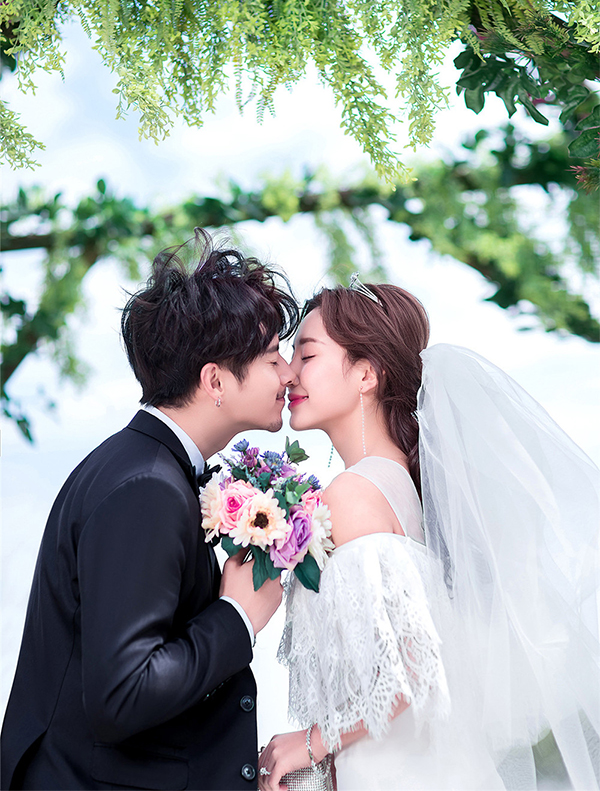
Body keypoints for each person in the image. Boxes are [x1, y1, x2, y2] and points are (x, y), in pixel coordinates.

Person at [258, 279, 600, 790]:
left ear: (366, 374)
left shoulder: (352, 495)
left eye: (306, 355)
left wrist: (309, 743)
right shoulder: (401, 488)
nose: (289, 373)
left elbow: (414, 664)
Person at [1, 229, 300, 791]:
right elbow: (122, 695)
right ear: (215, 379)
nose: (289, 374)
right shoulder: (147, 488)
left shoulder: (144, 467)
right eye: (271, 358)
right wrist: (237, 617)